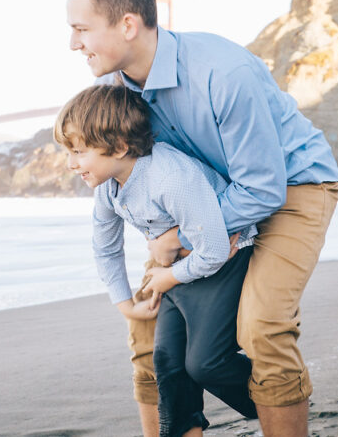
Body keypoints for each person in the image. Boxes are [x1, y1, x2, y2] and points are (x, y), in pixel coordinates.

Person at [65, 0, 338, 437]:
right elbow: (130, 183)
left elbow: (261, 189)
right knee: (146, 327)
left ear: (127, 24)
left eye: (81, 29)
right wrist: (174, 237)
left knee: (262, 326)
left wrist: (180, 235)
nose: (74, 44)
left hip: (292, 186)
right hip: (203, 200)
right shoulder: (113, 90)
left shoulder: (222, 73)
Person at [54, 85, 258, 436]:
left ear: (118, 147)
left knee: (206, 363)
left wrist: (167, 278)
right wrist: (125, 304)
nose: (71, 163)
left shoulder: (170, 178)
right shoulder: (108, 186)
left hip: (226, 259)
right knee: (166, 363)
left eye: (79, 151)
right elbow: (105, 248)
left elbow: (213, 251)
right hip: (182, 265)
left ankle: (277, 404)